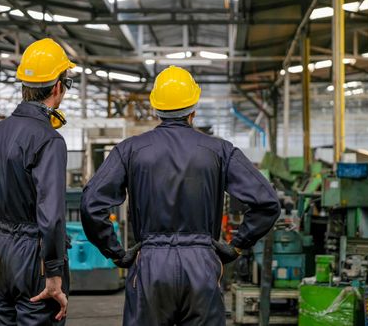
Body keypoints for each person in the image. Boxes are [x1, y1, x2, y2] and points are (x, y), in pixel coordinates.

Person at [80, 65, 281, 326]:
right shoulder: (220, 151)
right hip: (202, 264)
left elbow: (91, 204)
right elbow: (267, 202)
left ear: (156, 109)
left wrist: (116, 252)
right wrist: (237, 246)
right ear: (193, 109)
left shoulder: (129, 150)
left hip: (150, 264)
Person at [0, 38, 75, 325]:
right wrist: (54, 273)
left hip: (2, 254)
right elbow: (51, 216)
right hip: (35, 259)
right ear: (58, 87)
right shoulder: (49, 140)